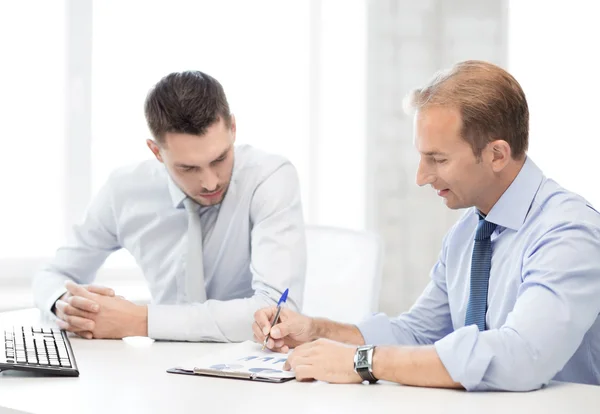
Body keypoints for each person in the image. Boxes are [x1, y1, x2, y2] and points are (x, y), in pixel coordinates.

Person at [253, 60, 600, 391]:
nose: (421, 177)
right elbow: (418, 334)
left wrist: (362, 362)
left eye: (438, 159)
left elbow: (522, 357)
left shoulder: (568, 232)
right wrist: (317, 331)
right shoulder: (467, 232)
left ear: (497, 154)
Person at [33, 70, 306, 342]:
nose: (210, 183)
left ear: (233, 128)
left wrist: (140, 321)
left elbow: (278, 314)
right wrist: (66, 303)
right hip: (158, 368)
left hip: (251, 367)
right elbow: (54, 275)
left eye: (220, 158)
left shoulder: (270, 178)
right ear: (156, 152)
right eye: (188, 168)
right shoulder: (125, 191)